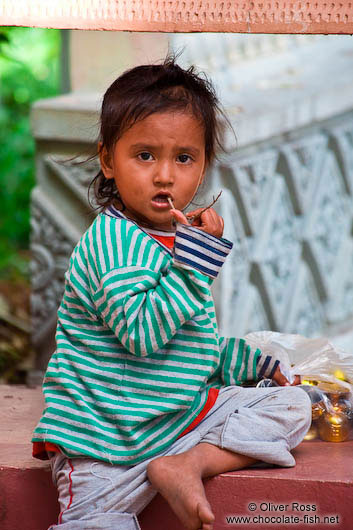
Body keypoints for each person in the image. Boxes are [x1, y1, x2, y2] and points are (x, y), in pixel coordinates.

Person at [32, 57, 311, 530]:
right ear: (108, 160)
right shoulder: (111, 243)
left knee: (292, 406)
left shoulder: (178, 244)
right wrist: (197, 265)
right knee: (93, 524)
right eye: (145, 156)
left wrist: (250, 364)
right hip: (105, 444)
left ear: (202, 168)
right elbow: (143, 334)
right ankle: (170, 469)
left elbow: (186, 343)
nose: (165, 176)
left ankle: (189, 465)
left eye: (184, 158)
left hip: (178, 425)